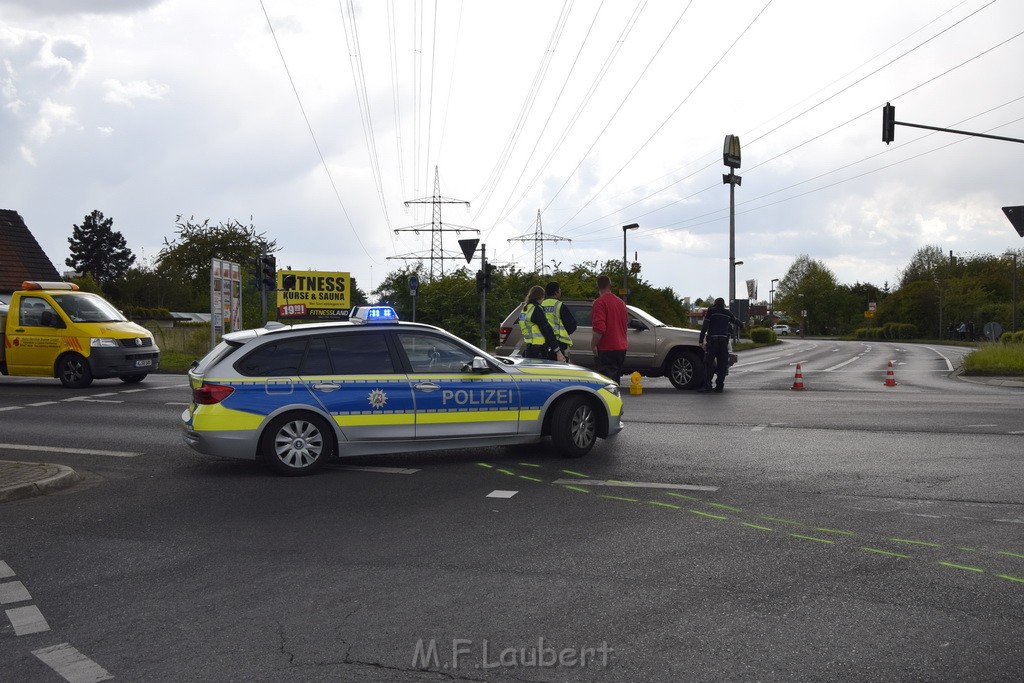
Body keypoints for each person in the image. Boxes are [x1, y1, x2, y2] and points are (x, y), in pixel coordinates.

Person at [591, 274, 628, 383]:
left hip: (606, 348)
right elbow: (625, 325)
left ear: (597, 287)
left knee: (605, 383)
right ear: (610, 286)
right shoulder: (621, 303)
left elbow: (599, 328)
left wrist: (593, 345)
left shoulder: (599, 303)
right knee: (615, 381)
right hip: (621, 348)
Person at [698, 297, 740, 393]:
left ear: (715, 304)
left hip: (713, 342)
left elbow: (705, 326)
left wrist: (701, 340)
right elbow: (736, 321)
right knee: (722, 365)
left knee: (708, 364)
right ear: (723, 304)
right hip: (723, 343)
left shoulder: (711, 311)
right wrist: (742, 325)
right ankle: (719, 386)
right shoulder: (727, 313)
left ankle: (707, 386)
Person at [517, 285, 558, 359]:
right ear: (541, 296)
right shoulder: (536, 309)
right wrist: (557, 350)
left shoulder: (525, 309)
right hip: (539, 349)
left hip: (529, 347)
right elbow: (547, 330)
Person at [542, 281, 577, 361]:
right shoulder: (559, 305)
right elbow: (571, 325)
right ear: (556, 292)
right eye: (559, 290)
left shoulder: (541, 305)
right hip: (558, 344)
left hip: (543, 343)